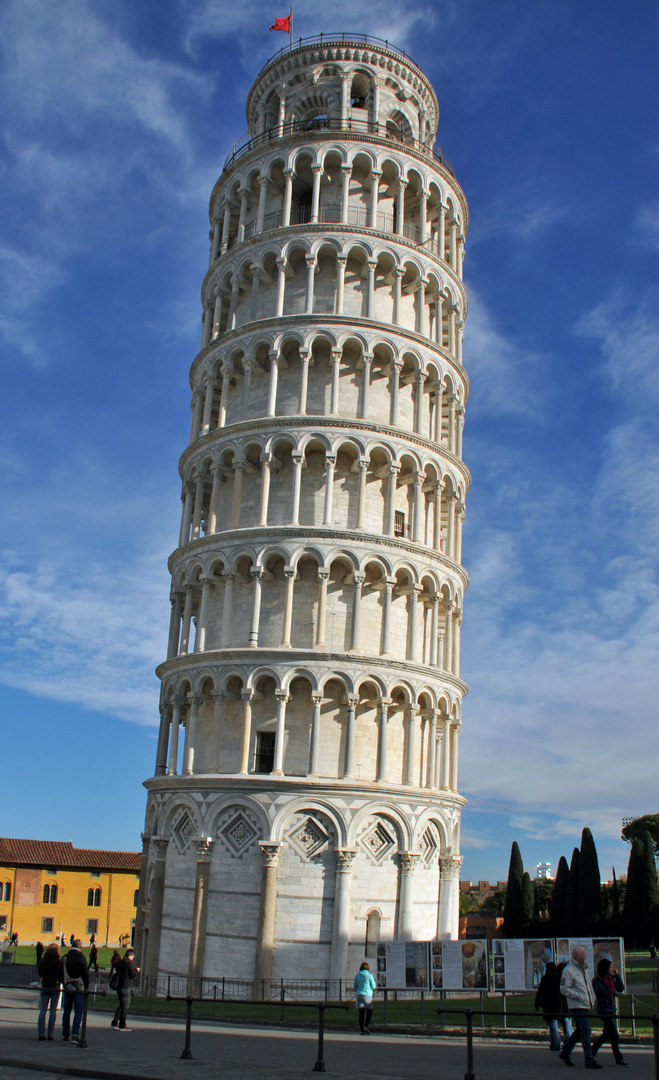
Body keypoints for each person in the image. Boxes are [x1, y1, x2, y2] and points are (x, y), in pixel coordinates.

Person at [559, 945, 600, 1069]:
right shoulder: (569, 970)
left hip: (584, 1004)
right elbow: (564, 989)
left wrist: (590, 997)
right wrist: (579, 996)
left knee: (580, 1030)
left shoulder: (583, 969)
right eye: (583, 953)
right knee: (586, 1030)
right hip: (577, 1005)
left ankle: (565, 1052)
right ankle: (589, 1059)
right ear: (576, 956)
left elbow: (587, 986)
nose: (585, 955)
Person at [591, 955, 629, 1066]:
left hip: (610, 1008)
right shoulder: (597, 980)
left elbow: (620, 988)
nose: (610, 969)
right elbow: (595, 991)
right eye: (609, 967)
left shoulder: (610, 978)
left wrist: (617, 976)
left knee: (607, 1034)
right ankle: (619, 1058)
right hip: (603, 1009)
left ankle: (591, 1052)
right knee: (614, 1034)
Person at [534, 961, 572, 1051]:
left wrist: (537, 1003)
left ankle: (556, 1044)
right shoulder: (560, 979)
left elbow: (540, 993)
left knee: (553, 1025)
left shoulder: (545, 979)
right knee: (566, 1023)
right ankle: (569, 1042)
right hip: (562, 1006)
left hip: (550, 1006)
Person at [59, 938, 89, 1043]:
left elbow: (60, 973)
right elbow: (85, 973)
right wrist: (87, 986)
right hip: (78, 987)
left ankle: (65, 1034)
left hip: (67, 986)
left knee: (66, 1011)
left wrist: (64, 983)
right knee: (78, 1011)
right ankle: (75, 1034)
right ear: (80, 947)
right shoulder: (81, 957)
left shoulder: (65, 958)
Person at [111, 947, 139, 1031]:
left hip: (119, 986)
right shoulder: (130, 963)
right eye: (133, 956)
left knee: (122, 1004)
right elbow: (134, 974)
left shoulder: (120, 962)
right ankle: (122, 1024)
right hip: (126, 986)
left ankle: (115, 1022)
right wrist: (137, 971)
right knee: (125, 1007)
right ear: (131, 956)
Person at [37, 943, 61, 1041]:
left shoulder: (43, 961)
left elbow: (40, 973)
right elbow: (60, 974)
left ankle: (41, 1033)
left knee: (43, 1010)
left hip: (45, 985)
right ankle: (50, 1034)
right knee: (53, 1011)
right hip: (55, 986)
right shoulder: (58, 962)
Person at [353, 961, 377, 1035]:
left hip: (359, 995)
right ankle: (366, 1026)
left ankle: (361, 1030)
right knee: (369, 1011)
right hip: (367, 995)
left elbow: (355, 985)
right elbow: (373, 986)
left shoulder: (357, 975)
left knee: (361, 1013)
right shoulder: (369, 976)